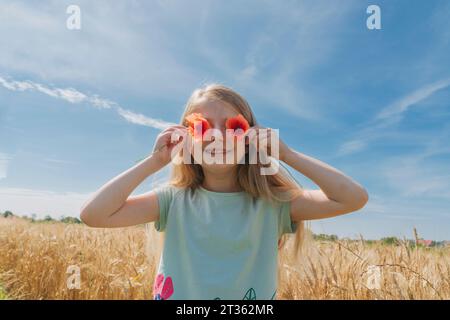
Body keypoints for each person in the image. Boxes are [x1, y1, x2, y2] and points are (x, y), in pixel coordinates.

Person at [80, 83, 368, 300]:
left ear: (251, 139)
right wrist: (154, 161)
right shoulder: (173, 200)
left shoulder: (273, 204)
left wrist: (287, 154)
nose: (217, 136)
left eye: (234, 126)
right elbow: (93, 214)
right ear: (185, 140)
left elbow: (353, 197)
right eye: (202, 127)